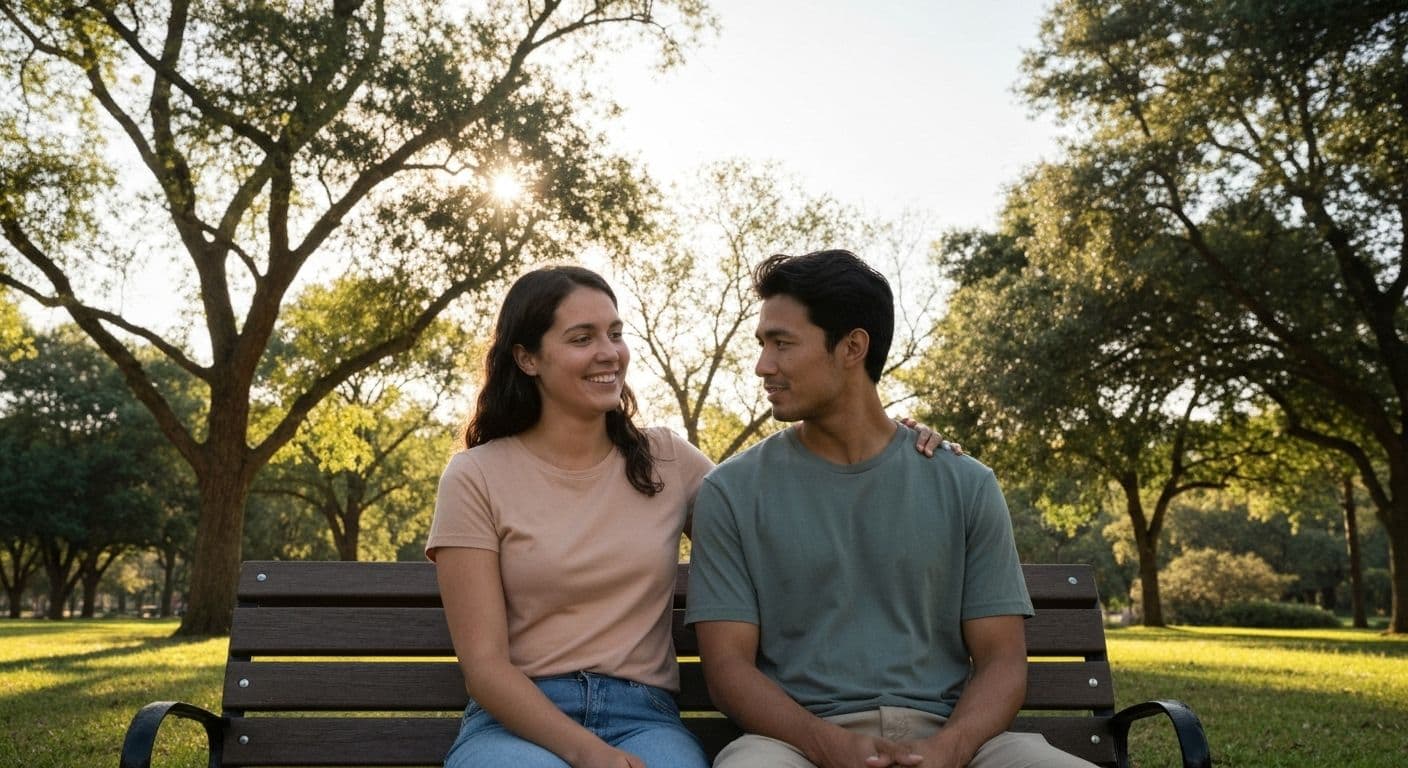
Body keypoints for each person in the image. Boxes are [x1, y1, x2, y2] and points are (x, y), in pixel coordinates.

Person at [426, 265, 950, 768]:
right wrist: (587, 754)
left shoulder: (666, 460)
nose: (609, 353)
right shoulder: (475, 477)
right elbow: (486, 668)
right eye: (581, 338)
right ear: (527, 358)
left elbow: (783, 515)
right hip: (519, 721)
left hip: (644, 717)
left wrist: (888, 438)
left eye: (615, 333)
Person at [686, 250, 1100, 768]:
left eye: (782, 343)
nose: (762, 365)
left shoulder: (965, 483)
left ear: (852, 347)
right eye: (763, 344)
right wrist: (827, 745)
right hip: (794, 745)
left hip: (957, 741)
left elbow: (1001, 661)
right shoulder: (731, 492)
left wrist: (949, 749)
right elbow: (728, 670)